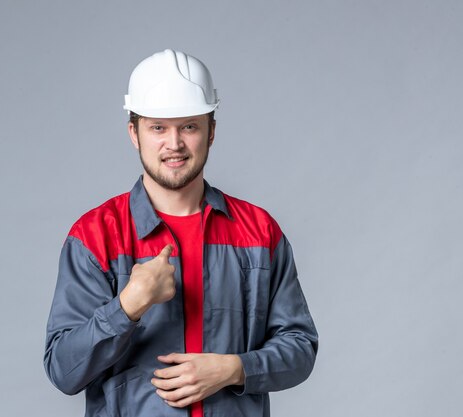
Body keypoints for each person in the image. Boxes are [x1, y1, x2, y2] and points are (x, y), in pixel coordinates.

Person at [44, 49, 318, 417]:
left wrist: (235, 369)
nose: (174, 144)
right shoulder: (97, 235)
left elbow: (300, 348)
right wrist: (128, 306)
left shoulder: (258, 232)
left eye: (189, 126)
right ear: (134, 134)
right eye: (158, 127)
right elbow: (64, 371)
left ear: (211, 132)